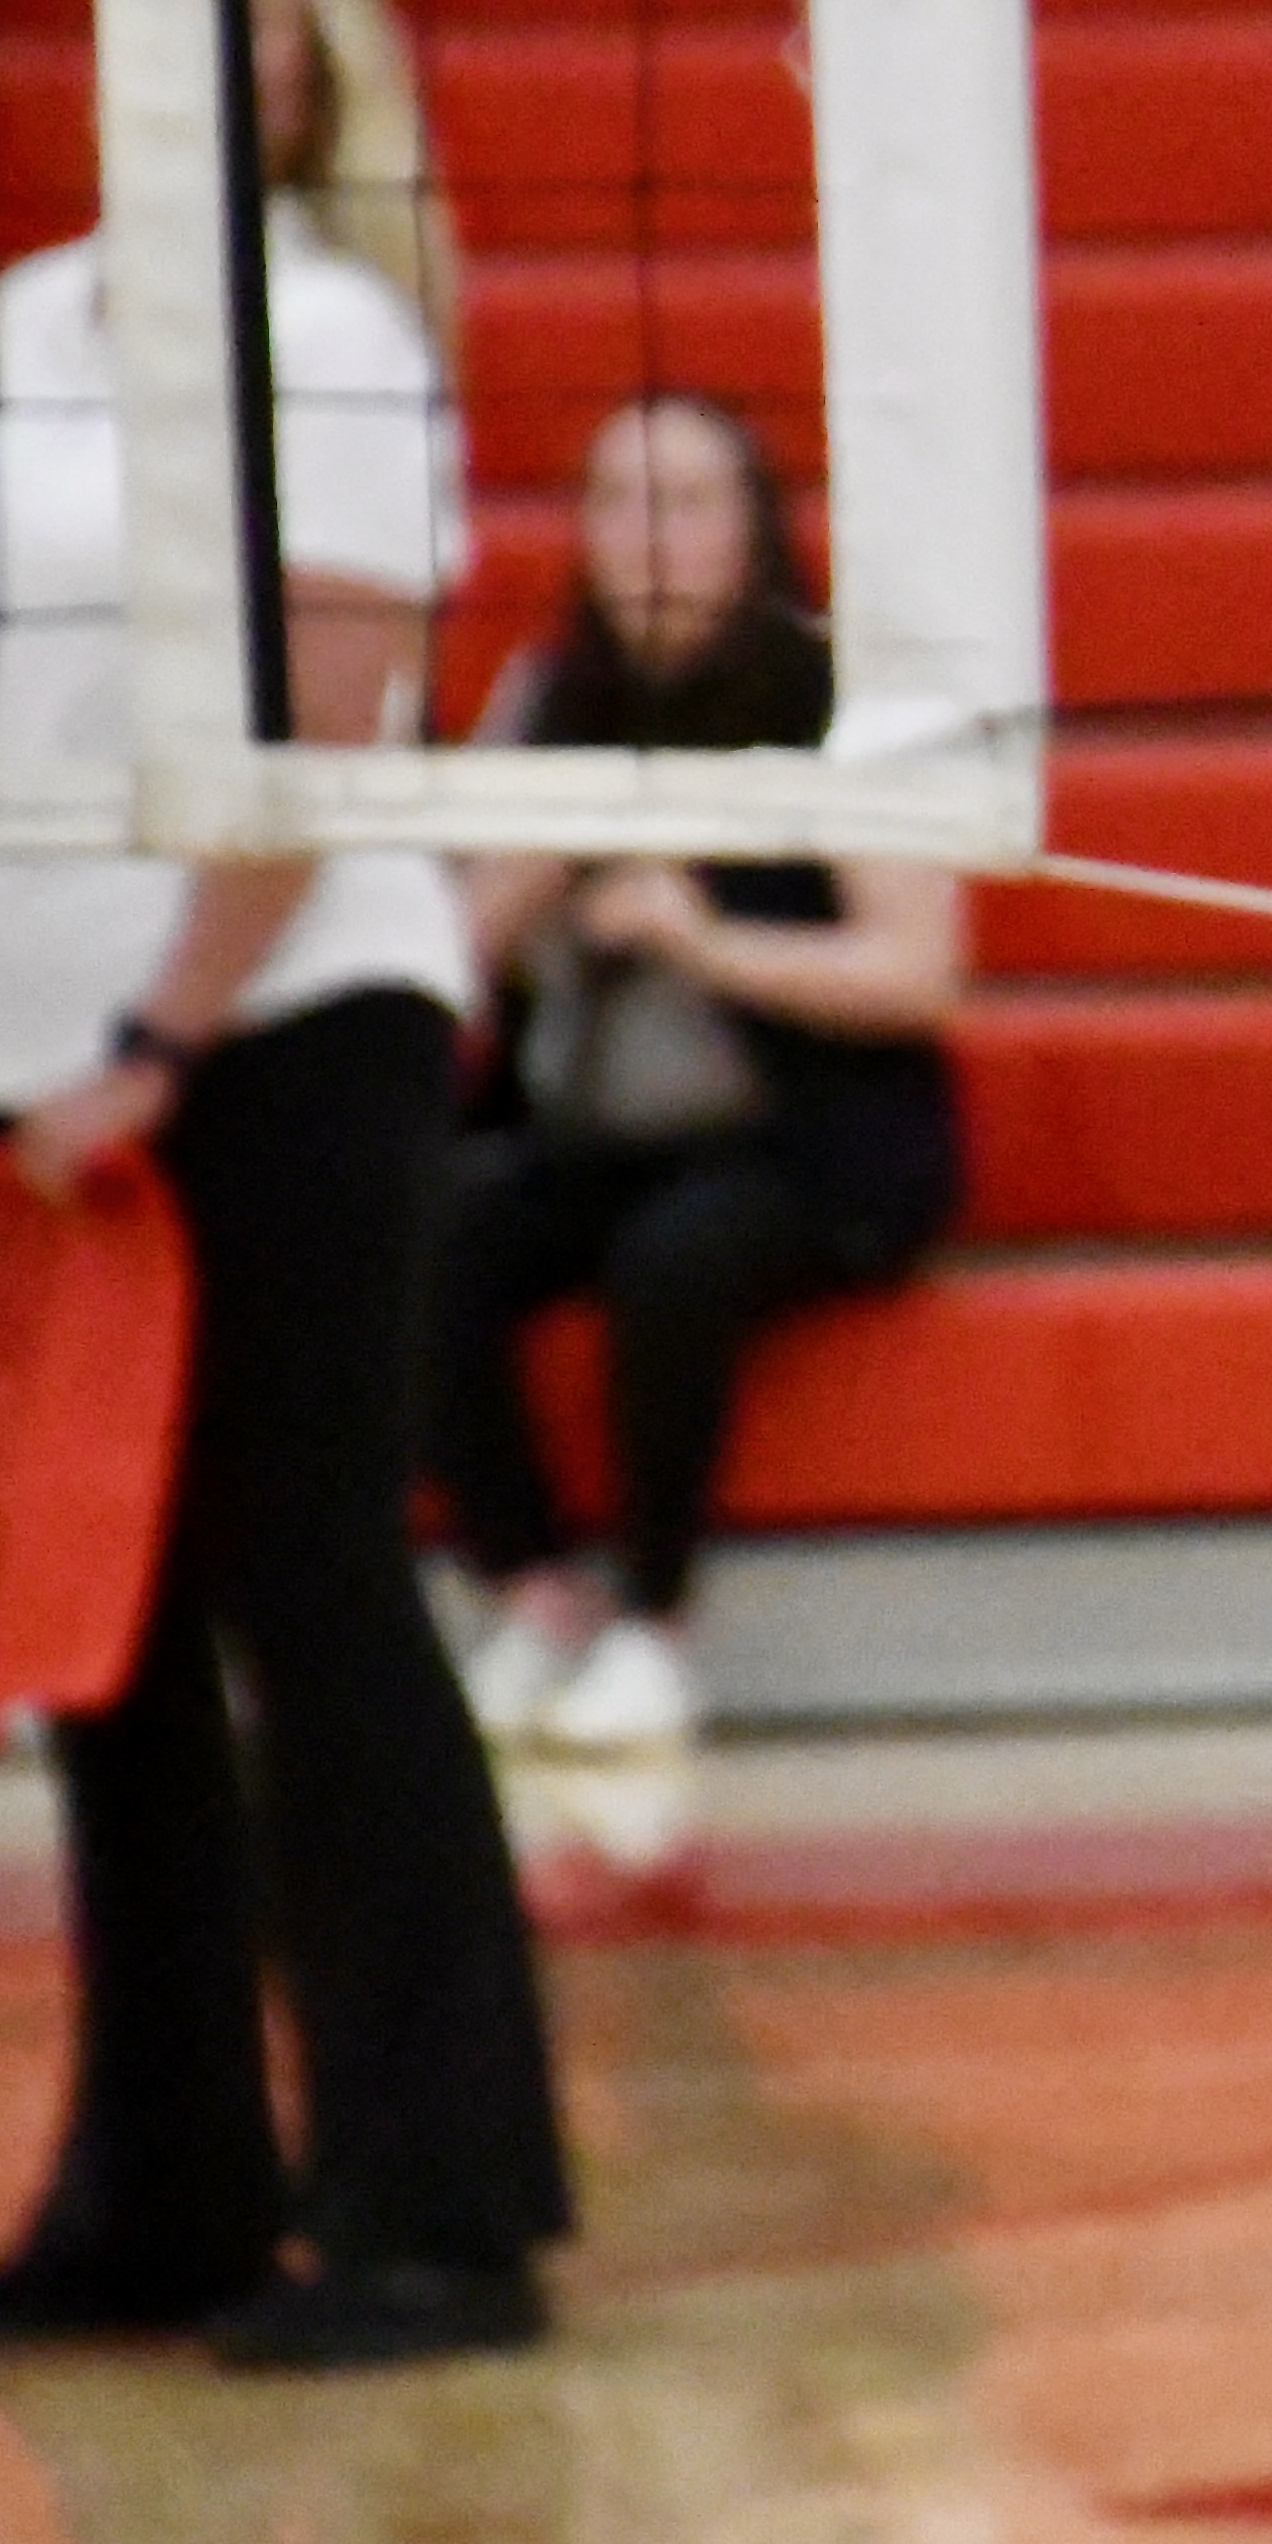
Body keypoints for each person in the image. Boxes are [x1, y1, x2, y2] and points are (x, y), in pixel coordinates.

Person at [0, 0, 571, 2370]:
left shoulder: (333, 331)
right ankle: (164, 2196)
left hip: (277, 1023)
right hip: (51, 1059)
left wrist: (164, 1034)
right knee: (109, 1632)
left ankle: (442, 2214)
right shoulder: (35, 314)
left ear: (307, 73)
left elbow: (321, 723)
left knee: (310, 1583)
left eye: (253, 17)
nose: (196, 50)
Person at [428, 391, 966, 1757]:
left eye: (683, 502)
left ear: (754, 528)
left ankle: (657, 1627)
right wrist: (524, 874)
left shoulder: (833, 697)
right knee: (417, 1235)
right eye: (613, 501)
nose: (645, 535)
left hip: (811, 1144)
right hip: (592, 1131)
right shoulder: (546, 695)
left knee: (674, 1257)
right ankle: (536, 1595)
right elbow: (442, 965)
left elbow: (918, 973)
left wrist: (705, 941)